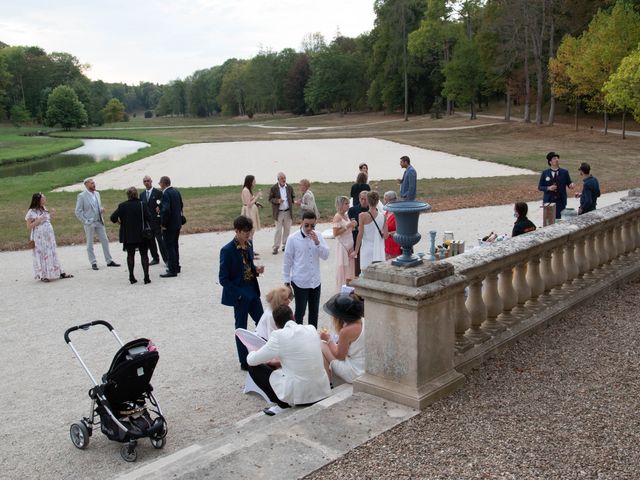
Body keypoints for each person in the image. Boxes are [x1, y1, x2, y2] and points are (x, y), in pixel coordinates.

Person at [247, 305, 331, 416]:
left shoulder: (278, 336)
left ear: (276, 324)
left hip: (301, 396)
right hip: (322, 390)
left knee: (253, 367)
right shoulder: (311, 328)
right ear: (293, 317)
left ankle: (282, 405)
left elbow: (252, 361)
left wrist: (252, 351)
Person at [220, 215, 265, 370]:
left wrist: (256, 271)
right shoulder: (227, 250)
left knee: (262, 322)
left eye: (249, 231)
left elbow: (248, 266)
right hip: (240, 293)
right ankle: (244, 362)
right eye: (245, 232)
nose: (248, 234)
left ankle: (263, 354)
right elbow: (223, 279)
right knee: (241, 328)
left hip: (252, 289)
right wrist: (238, 294)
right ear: (237, 231)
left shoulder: (249, 245)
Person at [282, 211, 330, 328]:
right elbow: (287, 261)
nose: (309, 228)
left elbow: (325, 256)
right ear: (301, 222)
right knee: (300, 312)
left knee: (314, 313)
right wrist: (286, 282)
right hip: (300, 282)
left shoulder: (318, 236)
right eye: (306, 225)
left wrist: (318, 243)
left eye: (312, 225)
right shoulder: (293, 239)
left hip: (315, 282)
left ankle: (312, 337)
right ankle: (297, 337)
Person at [25, 192, 73, 282]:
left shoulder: (44, 209)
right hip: (39, 237)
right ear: (38, 200)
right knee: (42, 254)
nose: (45, 199)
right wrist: (38, 220)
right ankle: (43, 275)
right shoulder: (31, 212)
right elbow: (29, 226)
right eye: (43, 198)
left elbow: (46, 219)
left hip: (49, 236)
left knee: (52, 252)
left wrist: (52, 214)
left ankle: (59, 272)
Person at [110, 187, 153, 285]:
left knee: (130, 255)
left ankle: (131, 276)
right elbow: (149, 218)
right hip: (142, 234)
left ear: (127, 195)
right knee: (144, 255)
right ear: (137, 194)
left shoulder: (122, 206)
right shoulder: (142, 204)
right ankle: (146, 277)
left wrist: (120, 222)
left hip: (128, 234)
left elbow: (113, 218)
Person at [75, 178, 120, 270]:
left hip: (99, 221)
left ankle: (109, 260)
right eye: (92, 183)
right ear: (86, 184)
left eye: (94, 183)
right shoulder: (81, 196)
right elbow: (78, 211)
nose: (94, 184)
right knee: (90, 243)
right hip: (90, 223)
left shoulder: (97, 194)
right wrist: (86, 221)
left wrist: (101, 210)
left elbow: (97, 206)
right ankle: (93, 262)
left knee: (105, 240)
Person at [320, 293, 365, 384]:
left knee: (322, 345)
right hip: (364, 367)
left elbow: (339, 356)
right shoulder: (363, 320)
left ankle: (328, 383)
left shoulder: (346, 331)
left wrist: (329, 339)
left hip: (355, 372)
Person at [353, 191, 387, 270]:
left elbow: (360, 235)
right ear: (378, 201)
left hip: (367, 249)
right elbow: (385, 236)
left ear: (368, 201)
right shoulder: (384, 216)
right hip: (379, 250)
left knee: (366, 274)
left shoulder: (362, 216)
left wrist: (356, 251)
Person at [159, 176, 183, 278]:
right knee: (175, 245)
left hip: (169, 225)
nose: (160, 185)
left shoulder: (166, 194)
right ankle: (176, 266)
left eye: (160, 183)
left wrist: (163, 224)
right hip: (177, 223)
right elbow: (181, 205)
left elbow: (166, 210)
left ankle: (172, 269)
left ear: (164, 183)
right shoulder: (176, 192)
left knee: (169, 247)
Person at [538, 151, 575, 219]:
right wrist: (548, 188)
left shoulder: (564, 172)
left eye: (557, 158)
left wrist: (571, 184)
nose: (557, 160)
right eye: (554, 158)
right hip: (548, 201)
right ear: (550, 162)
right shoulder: (545, 173)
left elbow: (569, 182)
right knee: (548, 220)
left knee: (559, 220)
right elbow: (540, 187)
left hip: (560, 201)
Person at [141, 175, 167, 266]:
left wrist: (159, 208)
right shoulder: (142, 195)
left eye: (148, 181)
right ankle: (155, 258)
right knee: (151, 241)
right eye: (145, 181)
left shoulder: (158, 193)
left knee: (160, 241)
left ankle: (166, 259)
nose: (146, 182)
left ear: (151, 181)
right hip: (148, 223)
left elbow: (163, 204)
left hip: (157, 221)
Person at [332, 196, 357, 292]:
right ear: (341, 205)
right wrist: (348, 226)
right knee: (342, 267)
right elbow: (335, 233)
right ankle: (341, 290)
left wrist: (353, 225)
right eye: (346, 204)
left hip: (349, 244)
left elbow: (349, 228)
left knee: (350, 268)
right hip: (342, 245)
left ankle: (349, 289)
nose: (348, 205)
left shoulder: (346, 215)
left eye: (348, 203)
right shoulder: (337, 217)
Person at [268, 172, 294, 255]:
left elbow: (292, 196)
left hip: (287, 211)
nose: (284, 179)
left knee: (287, 229)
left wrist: (294, 201)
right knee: (278, 230)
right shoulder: (274, 188)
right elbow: (270, 199)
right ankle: (276, 247)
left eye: (285, 178)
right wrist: (277, 201)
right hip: (278, 212)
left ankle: (285, 245)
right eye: (282, 178)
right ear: (278, 179)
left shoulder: (289, 187)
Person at [348, 190, 369, 277]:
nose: (364, 201)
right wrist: (357, 227)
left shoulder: (373, 210)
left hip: (368, 239)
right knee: (358, 263)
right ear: (359, 199)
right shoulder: (352, 210)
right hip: (356, 238)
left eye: (366, 199)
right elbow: (351, 225)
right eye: (362, 199)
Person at [240, 175, 262, 247]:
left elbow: (250, 201)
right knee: (249, 231)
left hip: (251, 212)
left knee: (252, 231)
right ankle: (249, 250)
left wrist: (256, 203)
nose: (255, 182)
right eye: (254, 181)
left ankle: (251, 249)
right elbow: (248, 204)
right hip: (248, 213)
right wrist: (257, 197)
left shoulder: (248, 190)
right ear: (250, 181)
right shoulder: (245, 190)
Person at [383, 191, 402, 260]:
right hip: (387, 245)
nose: (384, 202)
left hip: (395, 245)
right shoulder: (387, 211)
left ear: (390, 201)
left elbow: (402, 230)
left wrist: (390, 233)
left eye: (385, 200)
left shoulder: (398, 213)